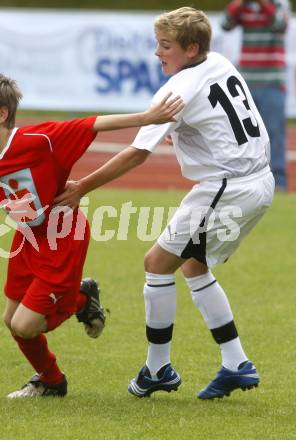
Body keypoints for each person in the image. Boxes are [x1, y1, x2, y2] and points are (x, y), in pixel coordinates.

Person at [0, 73, 183, 399]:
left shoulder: (40, 139)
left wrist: (147, 118)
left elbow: (93, 124)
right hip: (26, 238)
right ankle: (51, 380)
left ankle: (80, 300)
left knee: (26, 325)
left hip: (62, 236)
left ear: (1, 114)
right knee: (11, 320)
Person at [54, 7, 275, 400]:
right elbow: (219, 119)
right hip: (256, 180)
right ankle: (235, 363)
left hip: (229, 186)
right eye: (158, 44)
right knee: (192, 265)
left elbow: (137, 153)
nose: (158, 53)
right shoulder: (219, 62)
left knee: (156, 264)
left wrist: (81, 187)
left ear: (191, 49)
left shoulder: (175, 90)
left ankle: (157, 369)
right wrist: (188, 135)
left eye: (166, 46)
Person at [222, 0, 290, 191]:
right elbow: (225, 23)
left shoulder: (279, 3)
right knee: (241, 134)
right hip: (246, 83)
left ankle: (279, 182)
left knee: (275, 133)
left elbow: (280, 25)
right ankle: (244, 182)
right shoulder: (244, 5)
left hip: (272, 82)